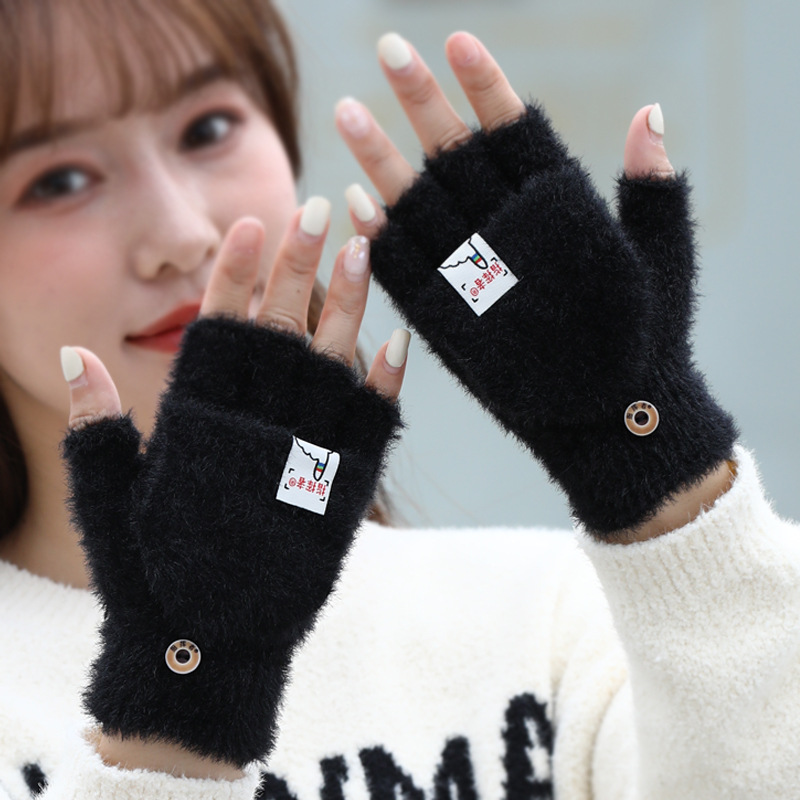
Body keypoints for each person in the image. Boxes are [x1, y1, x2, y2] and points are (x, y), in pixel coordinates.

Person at [0, 2, 796, 799]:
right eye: (58, 180)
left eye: (207, 129)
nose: (180, 234)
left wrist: (648, 456)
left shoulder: (544, 620)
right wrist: (181, 702)